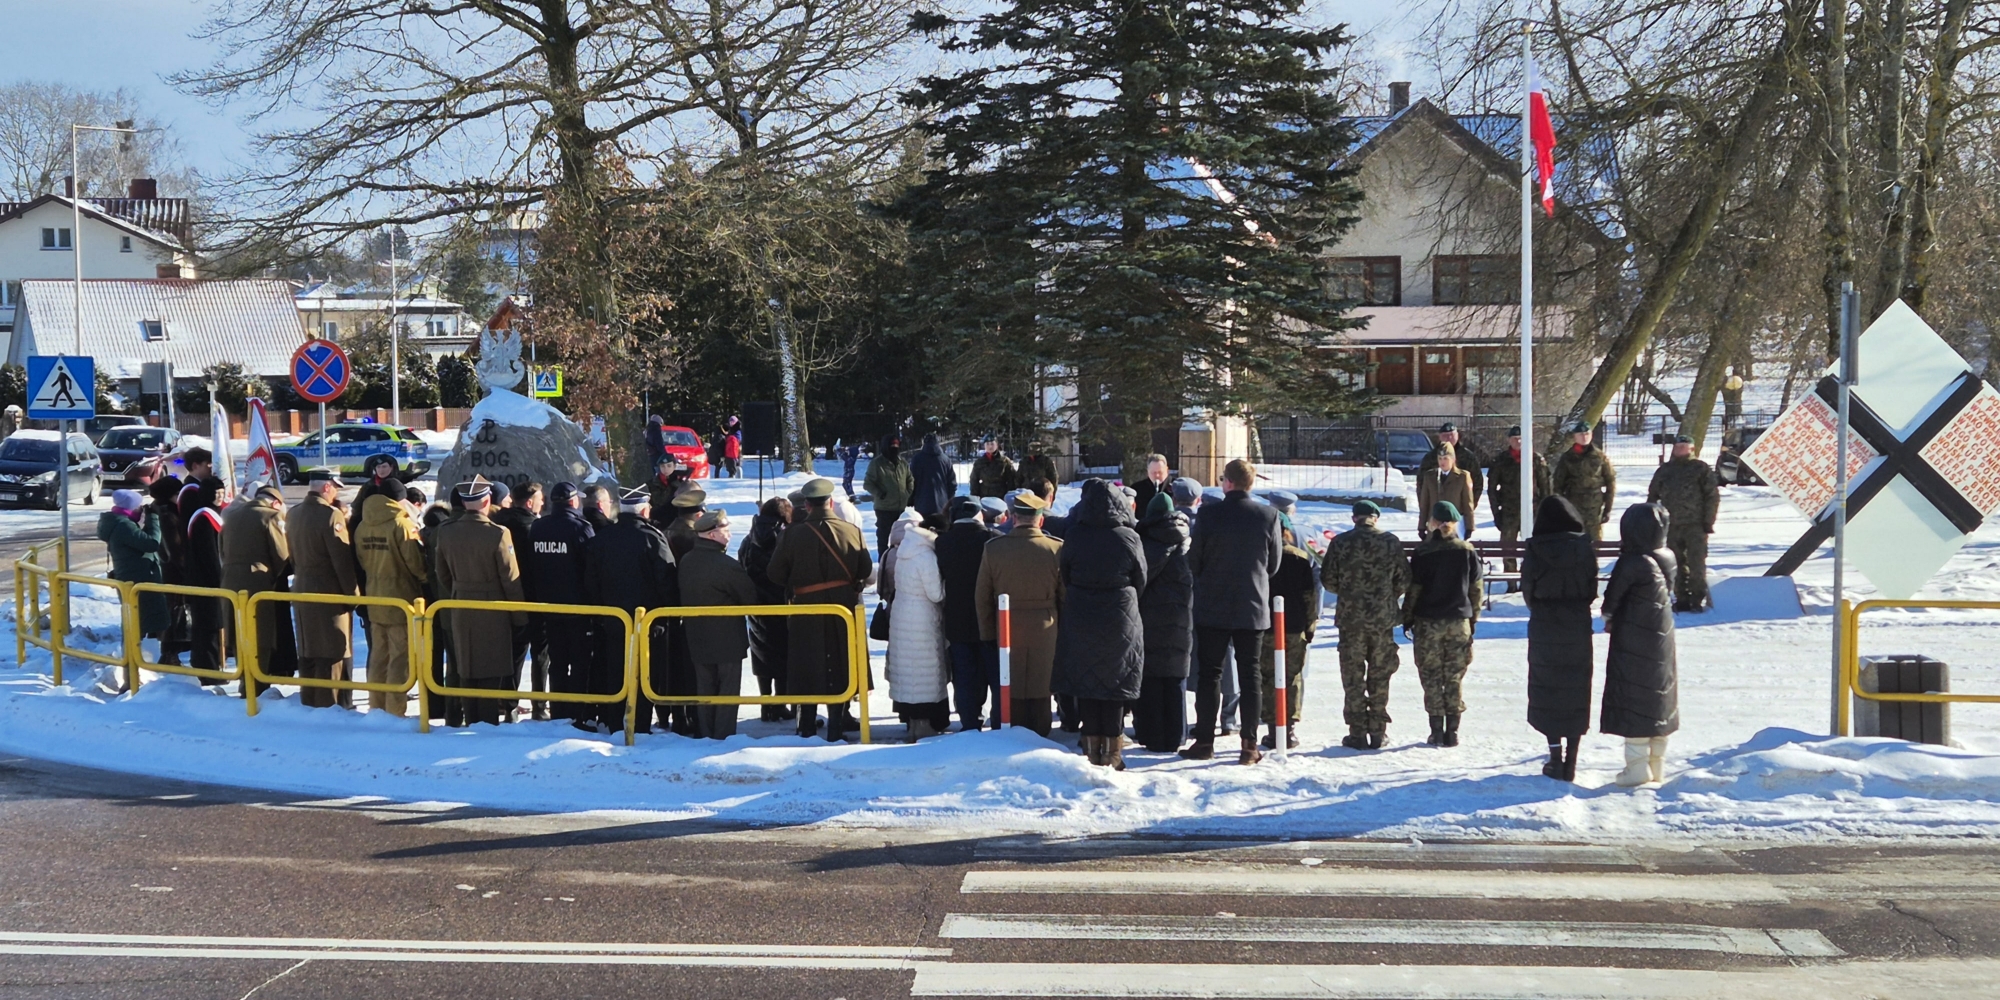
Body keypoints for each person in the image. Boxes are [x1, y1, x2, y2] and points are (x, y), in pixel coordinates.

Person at [1183, 459, 1284, 764]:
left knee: (1209, 675)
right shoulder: (1268, 515)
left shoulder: (1209, 514)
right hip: (1252, 606)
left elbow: (1194, 560)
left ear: (1227, 482)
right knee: (1250, 675)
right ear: (1250, 484)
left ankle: (1204, 741)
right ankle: (1249, 744)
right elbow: (1273, 564)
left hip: (1213, 605)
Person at [764, 477, 873, 740]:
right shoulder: (852, 531)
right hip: (843, 607)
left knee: (807, 666)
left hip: (806, 609)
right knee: (841, 664)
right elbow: (865, 569)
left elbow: (774, 573)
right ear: (831, 503)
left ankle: (807, 726)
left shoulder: (792, 534)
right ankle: (836, 726)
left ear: (807, 506)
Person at [1050, 478, 1146, 767]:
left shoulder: (1075, 535)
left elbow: (1066, 573)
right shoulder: (1129, 537)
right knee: (1116, 683)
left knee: (1087, 681)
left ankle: (1091, 749)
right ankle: (1113, 752)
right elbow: (1140, 577)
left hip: (1081, 613)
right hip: (1120, 615)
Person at [432, 480, 528, 726]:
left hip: (460, 606)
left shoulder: (446, 531)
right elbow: (510, 580)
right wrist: (519, 616)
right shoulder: (498, 533)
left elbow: (442, 574)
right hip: (492, 609)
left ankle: (470, 718)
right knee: (490, 669)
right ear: (487, 501)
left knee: (466, 668)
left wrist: (460, 590)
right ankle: (486, 724)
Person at [1602, 502, 1680, 786]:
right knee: (1659, 694)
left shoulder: (1632, 562)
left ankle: (1636, 767)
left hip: (1632, 636)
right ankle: (1657, 764)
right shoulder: (1667, 556)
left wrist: (1608, 617)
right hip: (1662, 634)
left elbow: (1611, 601)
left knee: (1633, 695)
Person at [1523, 495, 1599, 782]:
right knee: (1576, 689)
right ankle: (1573, 758)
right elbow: (1591, 589)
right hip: (1577, 624)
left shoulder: (1536, 549)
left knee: (1548, 689)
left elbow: (1528, 590)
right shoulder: (1584, 547)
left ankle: (1555, 758)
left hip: (1544, 624)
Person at [1322, 499, 1409, 749]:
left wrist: (1350, 592)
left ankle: (1357, 732)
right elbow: (1404, 579)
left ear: (1354, 518)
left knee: (1353, 677)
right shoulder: (1390, 542)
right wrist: (1385, 595)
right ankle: (1378, 731)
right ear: (1375, 518)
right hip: (1382, 620)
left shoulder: (1341, 542)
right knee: (1380, 676)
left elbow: (1328, 579)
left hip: (1351, 620)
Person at [976, 492, 1064, 736]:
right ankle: (1041, 733)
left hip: (1007, 627)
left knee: (1009, 683)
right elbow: (1064, 596)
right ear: (1041, 520)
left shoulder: (994, 549)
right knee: (1041, 685)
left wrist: (988, 634)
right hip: (1046, 626)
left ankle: (1010, 732)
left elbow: (982, 597)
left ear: (1013, 518)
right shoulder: (1056, 548)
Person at [1402, 501, 1482, 748]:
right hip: (1459, 622)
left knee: (1431, 676)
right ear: (1456, 523)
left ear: (1433, 523)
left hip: (1428, 623)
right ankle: (1453, 731)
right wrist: (1473, 619)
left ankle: (1436, 730)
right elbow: (1476, 589)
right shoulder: (1467, 550)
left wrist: (1407, 617)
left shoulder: (1423, 553)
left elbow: (1413, 590)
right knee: (1454, 675)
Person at [677, 510, 759, 739]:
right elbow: (749, 597)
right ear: (712, 535)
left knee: (705, 687)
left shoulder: (687, 561)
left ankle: (706, 733)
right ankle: (723, 736)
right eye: (726, 530)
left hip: (696, 636)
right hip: (727, 637)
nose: (730, 535)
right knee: (727, 690)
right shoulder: (726, 565)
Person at [287, 471, 361, 708]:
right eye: (335, 488)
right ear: (327, 487)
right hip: (328, 591)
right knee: (332, 652)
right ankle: (331, 706)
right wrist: (353, 595)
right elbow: (341, 560)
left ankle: (309, 701)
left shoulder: (293, 513)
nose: (335, 493)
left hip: (301, 587)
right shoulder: (331, 515)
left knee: (308, 651)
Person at [353, 477, 425, 717]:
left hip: (375, 597)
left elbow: (362, 560)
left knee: (378, 656)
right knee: (400, 658)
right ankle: (395, 711)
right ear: (399, 499)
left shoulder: (363, 524)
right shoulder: (401, 525)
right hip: (401, 598)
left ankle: (376, 706)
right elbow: (415, 563)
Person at [528, 482, 596, 723]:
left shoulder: (538, 527)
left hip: (547, 606)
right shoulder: (580, 528)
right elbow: (591, 568)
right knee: (579, 662)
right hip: (578, 609)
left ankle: (558, 712)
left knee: (557, 662)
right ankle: (577, 713)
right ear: (573, 501)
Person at [1131, 492, 1193, 752]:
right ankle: (1176, 735)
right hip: (1181, 617)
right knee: (1176, 675)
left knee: (1150, 676)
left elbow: (1137, 580)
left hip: (1148, 616)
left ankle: (1151, 734)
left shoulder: (1143, 542)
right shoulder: (1187, 541)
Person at [1259, 491, 1318, 750]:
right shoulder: (1300, 558)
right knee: (1292, 677)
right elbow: (1309, 597)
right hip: (1294, 627)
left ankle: (1273, 729)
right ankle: (1289, 729)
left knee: (1267, 677)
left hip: (1264, 626)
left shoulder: (1259, 557)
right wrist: (1310, 625)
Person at [937, 496, 1001, 730]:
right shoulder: (993, 539)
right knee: (995, 674)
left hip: (957, 619)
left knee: (964, 676)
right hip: (990, 619)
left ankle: (969, 722)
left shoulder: (942, 543)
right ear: (979, 514)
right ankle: (999, 720)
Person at [885, 515, 950, 739]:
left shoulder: (905, 549)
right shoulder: (926, 556)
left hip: (901, 613)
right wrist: (947, 584)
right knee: (924, 670)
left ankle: (913, 723)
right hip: (922, 617)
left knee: (907, 669)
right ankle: (923, 725)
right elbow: (935, 593)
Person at [221, 484, 290, 685]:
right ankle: (257, 685)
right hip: (257, 582)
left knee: (238, 633)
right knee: (260, 635)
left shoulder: (231, 516)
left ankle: (244, 681)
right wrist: (273, 576)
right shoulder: (270, 516)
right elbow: (282, 555)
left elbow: (222, 551)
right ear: (276, 503)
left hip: (229, 581)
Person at [1647, 434, 1719, 612]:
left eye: (1684, 446)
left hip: (1695, 525)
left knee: (1696, 563)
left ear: (1692, 448)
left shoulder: (1700, 469)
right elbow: (1652, 496)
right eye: (1677, 445)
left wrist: (1708, 521)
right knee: (1675, 564)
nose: (1680, 448)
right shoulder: (1665, 470)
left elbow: (1712, 496)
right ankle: (1681, 598)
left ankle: (1697, 598)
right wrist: (1653, 520)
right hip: (1671, 526)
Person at [738, 496, 794, 722]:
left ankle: (765, 703)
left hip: (756, 604)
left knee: (761, 652)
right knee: (783, 653)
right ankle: (780, 703)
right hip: (782, 603)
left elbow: (742, 566)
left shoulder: (748, 540)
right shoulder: (785, 538)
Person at [98, 490, 169, 664]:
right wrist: (153, 518)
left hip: (132, 577)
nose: (140, 510)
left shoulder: (117, 522)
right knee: (138, 621)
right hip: (137, 579)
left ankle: (135, 660)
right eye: (138, 506)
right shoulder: (123, 526)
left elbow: (137, 541)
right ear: (129, 507)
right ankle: (135, 662)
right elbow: (151, 543)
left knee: (135, 619)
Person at [1486, 425, 1552, 576]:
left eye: (1521, 438)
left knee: (1533, 546)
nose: (1518, 441)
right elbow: (1492, 489)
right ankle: (1511, 580)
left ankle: (1530, 577)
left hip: (1532, 510)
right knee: (1508, 547)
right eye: (1515, 438)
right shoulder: (1501, 460)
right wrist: (1496, 512)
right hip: (1509, 511)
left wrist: (1544, 511)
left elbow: (1545, 487)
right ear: (1509, 440)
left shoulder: (1535, 459)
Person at [183, 477, 231, 682]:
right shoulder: (203, 517)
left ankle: (212, 666)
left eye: (222, 493)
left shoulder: (215, 514)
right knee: (207, 627)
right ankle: (208, 671)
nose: (220, 497)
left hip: (210, 580)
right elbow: (209, 554)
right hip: (205, 580)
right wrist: (219, 579)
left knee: (212, 626)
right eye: (216, 493)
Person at [147, 476, 191, 666]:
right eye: (177, 493)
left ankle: (170, 651)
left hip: (166, 569)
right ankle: (169, 653)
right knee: (175, 612)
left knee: (173, 611)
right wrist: (185, 569)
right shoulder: (167, 514)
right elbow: (175, 549)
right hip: (173, 571)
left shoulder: (157, 510)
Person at [1553, 421, 1617, 541]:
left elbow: (1610, 481)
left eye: (1587, 434)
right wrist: (1562, 508)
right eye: (1581, 434)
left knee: (1595, 541)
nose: (1584, 437)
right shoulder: (1567, 458)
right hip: (1574, 505)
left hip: (1594, 506)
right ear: (1575, 436)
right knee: (1574, 539)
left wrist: (1608, 508)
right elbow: (1558, 484)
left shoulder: (1600, 456)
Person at [863, 434, 913, 555]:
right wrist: (880, 494)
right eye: (892, 445)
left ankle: (898, 560)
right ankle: (883, 561)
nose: (894, 448)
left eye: (896, 445)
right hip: (884, 509)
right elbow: (868, 484)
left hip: (900, 508)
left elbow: (910, 479)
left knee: (900, 539)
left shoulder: (903, 463)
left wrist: (907, 493)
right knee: (883, 538)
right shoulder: (877, 464)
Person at [1416, 443, 1476, 539]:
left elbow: (1468, 504)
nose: (1442, 462)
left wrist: (1469, 527)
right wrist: (1421, 526)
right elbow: (1424, 504)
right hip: (1434, 527)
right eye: (1440, 458)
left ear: (1453, 459)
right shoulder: (1430, 476)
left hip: (1453, 527)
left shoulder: (1462, 477)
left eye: (1445, 458)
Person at [1418, 423, 1484, 509]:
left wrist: (1469, 505)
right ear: (1440, 437)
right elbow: (1421, 484)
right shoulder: (1430, 458)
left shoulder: (1468, 457)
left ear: (1457, 436)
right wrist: (1425, 507)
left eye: (1452, 435)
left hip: (1460, 509)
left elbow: (1477, 482)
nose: (1449, 438)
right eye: (1445, 435)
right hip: (1436, 508)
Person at [908, 432, 957, 519]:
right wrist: (949, 500)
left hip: (922, 503)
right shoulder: (945, 459)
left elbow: (911, 482)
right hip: (942, 504)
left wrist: (911, 500)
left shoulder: (917, 459)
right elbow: (952, 483)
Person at [647, 455, 692, 520]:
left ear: (674, 466)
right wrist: (671, 486)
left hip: (678, 518)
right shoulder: (652, 484)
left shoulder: (681, 482)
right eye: (663, 466)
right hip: (658, 517)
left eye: (669, 466)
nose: (666, 469)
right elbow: (659, 502)